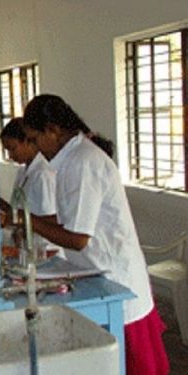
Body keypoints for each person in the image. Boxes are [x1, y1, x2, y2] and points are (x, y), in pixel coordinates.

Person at [22, 94, 169, 375]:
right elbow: (67, 221)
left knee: (129, 364)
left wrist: (27, 221)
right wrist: (24, 221)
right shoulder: (72, 161)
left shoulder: (82, 162)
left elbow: (77, 238)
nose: (36, 148)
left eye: (35, 138)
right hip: (99, 273)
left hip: (116, 277)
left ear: (52, 130)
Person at [0, 117, 61, 257]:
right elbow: (19, 209)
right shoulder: (23, 172)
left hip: (46, 250)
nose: (10, 155)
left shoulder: (43, 175)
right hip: (27, 247)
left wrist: (15, 220)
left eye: (13, 148)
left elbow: (51, 221)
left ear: (28, 141)